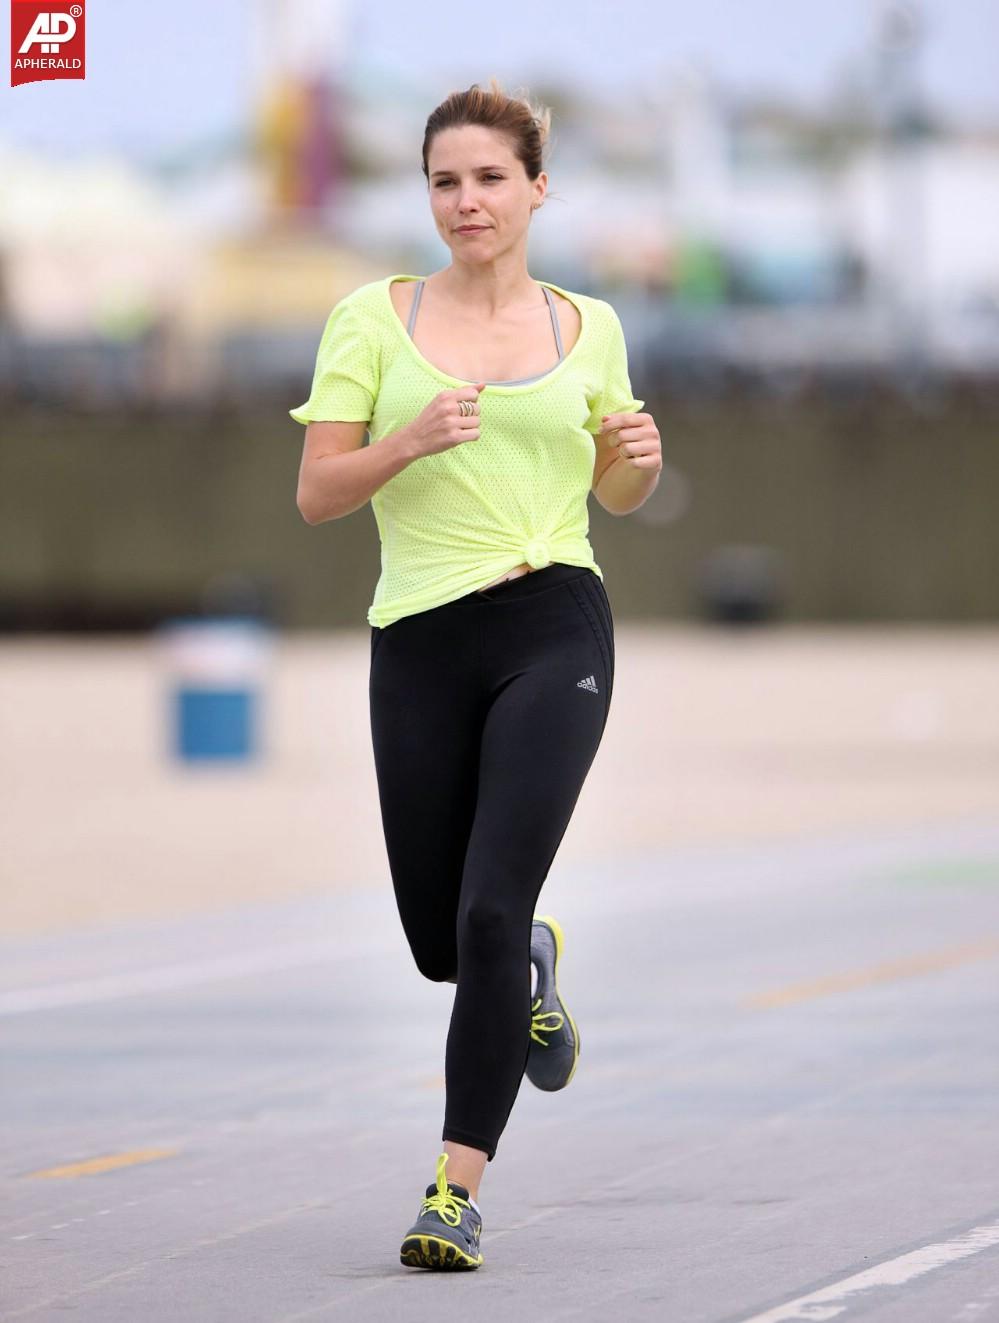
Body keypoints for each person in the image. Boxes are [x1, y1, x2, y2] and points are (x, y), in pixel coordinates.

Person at [289, 77, 662, 1271]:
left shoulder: (586, 327)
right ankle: (531, 969)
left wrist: (637, 462)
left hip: (556, 623)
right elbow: (316, 494)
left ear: (538, 189)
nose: (467, 201)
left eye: (491, 178)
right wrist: (406, 441)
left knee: (492, 907)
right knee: (444, 944)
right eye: (445, 180)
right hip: (422, 638)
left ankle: (453, 1191)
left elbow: (618, 493)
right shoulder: (370, 318)